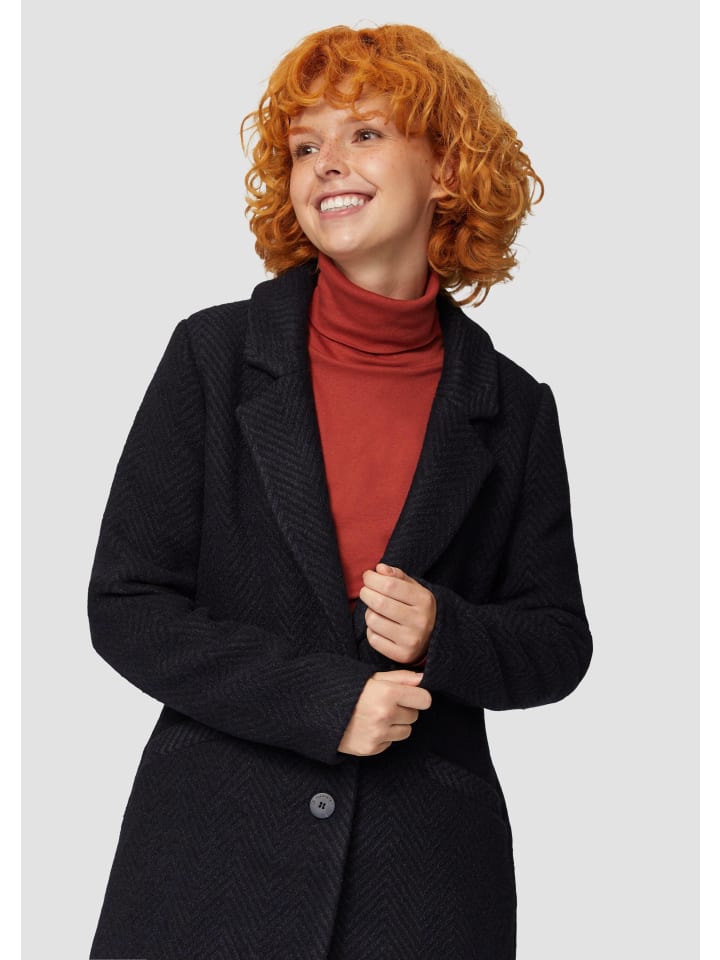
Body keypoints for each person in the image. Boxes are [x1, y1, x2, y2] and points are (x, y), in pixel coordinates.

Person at [87, 23, 593, 960]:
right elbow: (127, 603)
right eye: (304, 146)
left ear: (446, 169)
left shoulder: (514, 407)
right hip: (210, 871)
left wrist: (446, 632)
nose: (327, 163)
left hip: (425, 888)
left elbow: (558, 642)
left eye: (365, 133)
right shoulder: (213, 357)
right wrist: (322, 701)